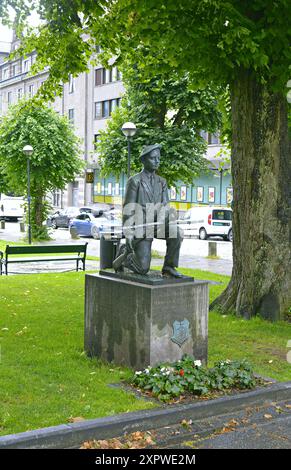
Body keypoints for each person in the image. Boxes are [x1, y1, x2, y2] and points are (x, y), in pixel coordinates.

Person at [113, 143, 183, 277]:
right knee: (143, 268)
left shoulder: (162, 182)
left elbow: (165, 205)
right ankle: (124, 253)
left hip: (157, 224)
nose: (157, 161)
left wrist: (168, 216)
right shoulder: (135, 181)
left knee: (177, 232)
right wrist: (128, 233)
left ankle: (169, 267)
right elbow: (128, 209)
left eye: (158, 158)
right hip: (141, 226)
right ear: (144, 160)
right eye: (153, 158)